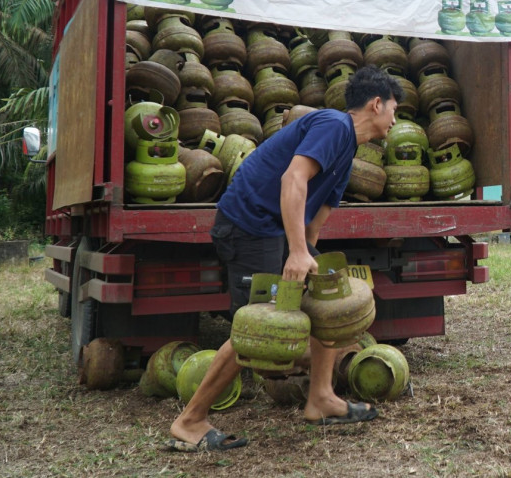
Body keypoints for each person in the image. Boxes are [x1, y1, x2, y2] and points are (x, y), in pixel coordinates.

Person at [168, 66, 402, 452]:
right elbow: (293, 180)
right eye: (394, 109)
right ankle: (189, 421)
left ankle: (321, 398)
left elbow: (317, 214)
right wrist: (295, 251)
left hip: (276, 227)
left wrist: (309, 253)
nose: (395, 119)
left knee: (327, 297)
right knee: (254, 328)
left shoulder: (349, 150)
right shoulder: (333, 126)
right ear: (377, 104)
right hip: (249, 222)